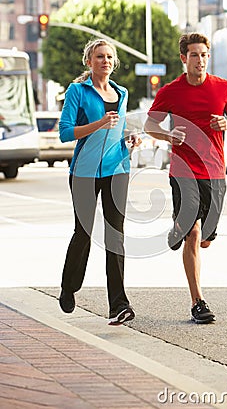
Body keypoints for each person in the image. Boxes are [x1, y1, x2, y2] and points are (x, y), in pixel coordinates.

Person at [144, 33, 227, 324]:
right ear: (183, 59)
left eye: (204, 55)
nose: (200, 60)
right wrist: (168, 135)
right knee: (195, 233)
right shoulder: (171, 91)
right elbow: (151, 123)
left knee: (206, 240)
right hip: (183, 170)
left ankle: (177, 228)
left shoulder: (223, 88)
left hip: (215, 173)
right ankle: (197, 301)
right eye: (194, 55)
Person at [58, 38, 141, 326]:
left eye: (109, 57)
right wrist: (99, 124)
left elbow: (118, 132)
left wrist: (130, 140)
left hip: (117, 169)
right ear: (89, 62)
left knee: (115, 234)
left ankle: (119, 304)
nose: (105, 61)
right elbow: (66, 133)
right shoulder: (78, 92)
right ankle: (69, 287)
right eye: (99, 56)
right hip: (84, 172)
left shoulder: (122, 92)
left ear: (113, 62)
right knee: (83, 232)